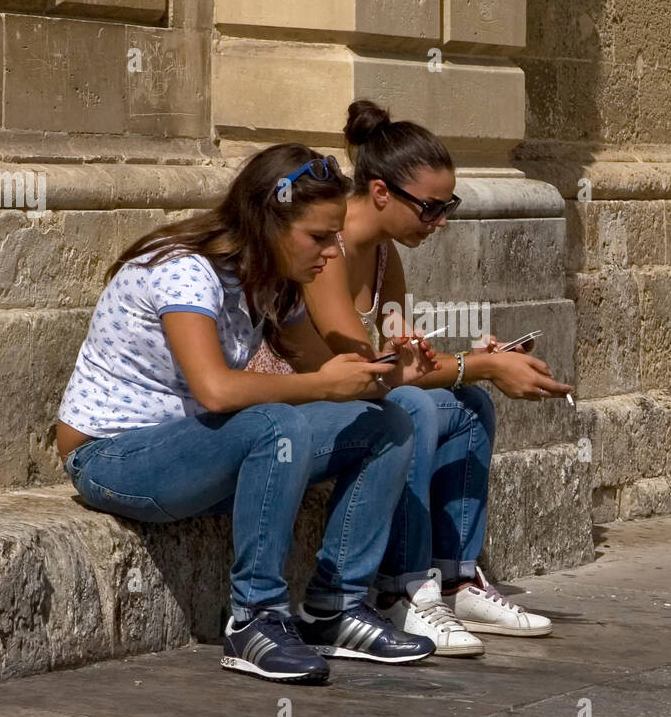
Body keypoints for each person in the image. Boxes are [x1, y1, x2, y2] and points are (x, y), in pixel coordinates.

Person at [55, 143, 436, 685]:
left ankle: (337, 608)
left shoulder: (276, 280)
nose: (332, 253)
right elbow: (216, 390)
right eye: (318, 237)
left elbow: (329, 373)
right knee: (276, 422)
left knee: (389, 424)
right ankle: (255, 618)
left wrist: (394, 376)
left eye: (334, 236)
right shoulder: (185, 271)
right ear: (267, 220)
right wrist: (320, 385)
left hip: (201, 447)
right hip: (113, 457)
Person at [301, 100, 572, 656]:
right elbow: (373, 371)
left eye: (447, 206)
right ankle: (400, 586)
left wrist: (463, 361)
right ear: (380, 193)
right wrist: (484, 364)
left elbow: (397, 353)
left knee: (468, 405)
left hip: (351, 394)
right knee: (418, 408)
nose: (440, 221)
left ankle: (455, 578)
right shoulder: (330, 250)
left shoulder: (383, 256)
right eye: (429, 208)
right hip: (305, 398)